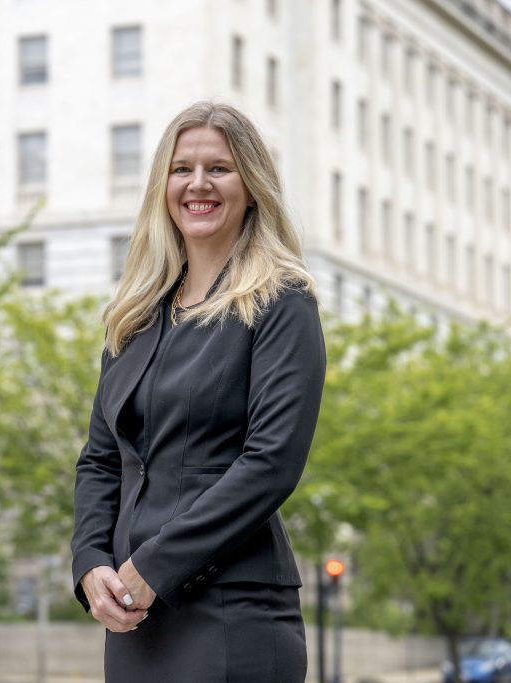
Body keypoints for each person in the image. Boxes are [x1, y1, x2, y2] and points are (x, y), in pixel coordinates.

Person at [70, 101, 327, 682]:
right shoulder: (134, 316)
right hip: (136, 619)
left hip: (232, 611)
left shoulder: (283, 302)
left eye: (220, 168)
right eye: (182, 168)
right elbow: (100, 458)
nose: (198, 184)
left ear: (253, 187)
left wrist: (154, 567)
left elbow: (271, 464)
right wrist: (91, 564)